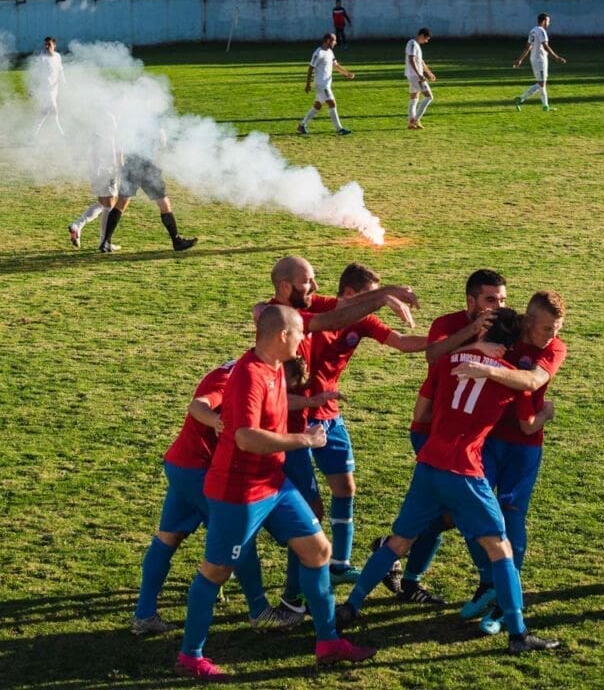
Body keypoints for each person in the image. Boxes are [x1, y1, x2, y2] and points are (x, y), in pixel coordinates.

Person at [337, 308, 562, 654]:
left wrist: (471, 351)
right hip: (465, 470)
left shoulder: (449, 360)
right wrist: (546, 411)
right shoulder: (509, 377)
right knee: (500, 549)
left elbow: (423, 408)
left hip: (429, 463)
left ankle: (351, 605)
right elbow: (528, 419)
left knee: (398, 542)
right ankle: (518, 634)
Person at [175, 305, 378, 679]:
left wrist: (311, 405)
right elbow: (245, 437)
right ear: (283, 335)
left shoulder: (274, 368)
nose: (304, 340)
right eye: (300, 333)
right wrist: (304, 440)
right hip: (239, 490)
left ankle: (328, 642)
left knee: (318, 550)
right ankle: (191, 656)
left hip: (274, 482)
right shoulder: (249, 375)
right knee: (215, 571)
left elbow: (280, 405)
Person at [132, 359, 303, 635]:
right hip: (200, 471)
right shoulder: (235, 382)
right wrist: (218, 422)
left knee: (168, 537)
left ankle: (144, 615)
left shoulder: (240, 369)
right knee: (240, 537)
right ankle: (259, 611)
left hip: (182, 464)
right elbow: (198, 405)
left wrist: (313, 401)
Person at [375, 269, 506, 602]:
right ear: (471, 301)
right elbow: (433, 356)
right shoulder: (447, 324)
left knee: (443, 516)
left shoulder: (503, 329)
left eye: (502, 300)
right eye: (491, 300)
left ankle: (397, 560)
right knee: (463, 514)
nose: (498, 307)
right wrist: (473, 335)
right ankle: (488, 584)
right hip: (431, 434)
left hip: (465, 439)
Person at [301, 263, 428, 585]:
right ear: (350, 293)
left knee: (345, 488)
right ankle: (299, 577)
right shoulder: (318, 310)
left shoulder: (364, 320)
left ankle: (339, 565)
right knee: (306, 504)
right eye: (372, 296)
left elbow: (401, 342)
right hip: (299, 415)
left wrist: (453, 340)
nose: (376, 304)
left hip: (330, 415)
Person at [451, 291, 567, 631]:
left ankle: (505, 602)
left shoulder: (555, 348)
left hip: (524, 446)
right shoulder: (506, 334)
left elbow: (532, 380)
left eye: (558, 328)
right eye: (546, 328)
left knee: (512, 514)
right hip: (486, 440)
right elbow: (450, 355)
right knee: (471, 510)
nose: (553, 336)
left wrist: (487, 371)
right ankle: (490, 582)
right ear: (528, 322)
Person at [96, 130, 197, 254]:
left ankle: (105, 241)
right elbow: (162, 142)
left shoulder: (133, 124)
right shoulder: (155, 124)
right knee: (164, 203)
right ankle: (177, 241)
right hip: (147, 168)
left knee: (121, 202)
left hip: (131, 165)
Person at [68, 115, 121, 250]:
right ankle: (105, 241)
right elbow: (113, 157)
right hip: (106, 173)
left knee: (103, 204)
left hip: (94, 173)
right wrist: (116, 170)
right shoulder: (109, 137)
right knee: (109, 206)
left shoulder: (95, 136)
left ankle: (77, 225)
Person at [298, 33, 354, 137]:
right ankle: (339, 129)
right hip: (322, 84)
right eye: (334, 40)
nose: (336, 42)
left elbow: (335, 65)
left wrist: (346, 74)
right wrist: (308, 84)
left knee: (317, 106)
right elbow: (310, 68)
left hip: (325, 84)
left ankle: (302, 125)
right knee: (332, 103)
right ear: (328, 40)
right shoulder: (318, 53)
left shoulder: (330, 52)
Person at [513, 13, 566, 112]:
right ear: (544, 21)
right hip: (540, 60)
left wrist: (520, 59)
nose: (549, 23)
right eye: (548, 21)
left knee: (541, 83)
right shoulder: (541, 31)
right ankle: (537, 104)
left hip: (535, 59)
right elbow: (545, 46)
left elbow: (528, 47)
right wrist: (556, 57)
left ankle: (537, 103)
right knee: (541, 84)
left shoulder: (532, 30)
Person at [31, 36, 66, 138]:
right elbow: (35, 74)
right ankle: (62, 135)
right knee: (53, 111)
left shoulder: (58, 56)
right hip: (45, 90)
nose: (47, 46)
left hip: (54, 90)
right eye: (45, 44)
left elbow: (60, 71)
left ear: (54, 45)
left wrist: (64, 84)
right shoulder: (42, 58)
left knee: (45, 112)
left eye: (49, 44)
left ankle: (33, 135)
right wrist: (32, 89)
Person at [404, 28, 436, 130]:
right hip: (415, 76)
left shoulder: (416, 45)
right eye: (426, 39)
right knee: (429, 97)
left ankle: (411, 122)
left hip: (413, 75)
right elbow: (411, 59)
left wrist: (429, 72)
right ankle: (416, 120)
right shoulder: (412, 43)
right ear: (422, 35)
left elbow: (420, 61)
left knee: (414, 98)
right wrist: (419, 74)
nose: (426, 41)